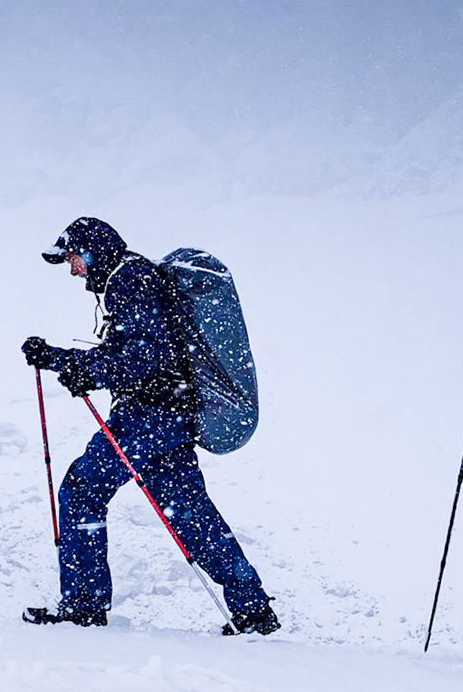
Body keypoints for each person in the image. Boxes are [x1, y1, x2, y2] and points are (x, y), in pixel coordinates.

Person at [20, 217, 279, 635]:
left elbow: (144, 356)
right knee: (190, 512)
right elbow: (137, 352)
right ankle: (252, 610)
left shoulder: (129, 280)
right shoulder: (133, 279)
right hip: (171, 415)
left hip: (147, 417)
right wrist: (59, 359)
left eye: (72, 259)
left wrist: (81, 369)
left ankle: (84, 605)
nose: (72, 270)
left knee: (82, 491)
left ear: (92, 251)